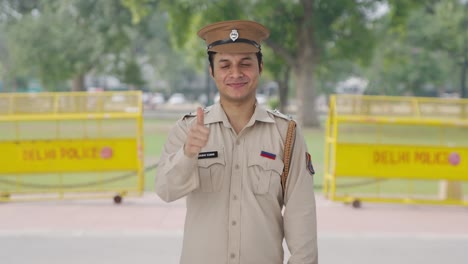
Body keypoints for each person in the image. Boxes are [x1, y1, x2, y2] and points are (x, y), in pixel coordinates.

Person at [155, 20, 318, 264]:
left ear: (260, 66)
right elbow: (166, 190)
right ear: (212, 71)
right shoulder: (188, 129)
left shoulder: (287, 135)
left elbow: (301, 218)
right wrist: (188, 154)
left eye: (245, 63)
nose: (236, 73)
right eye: (225, 65)